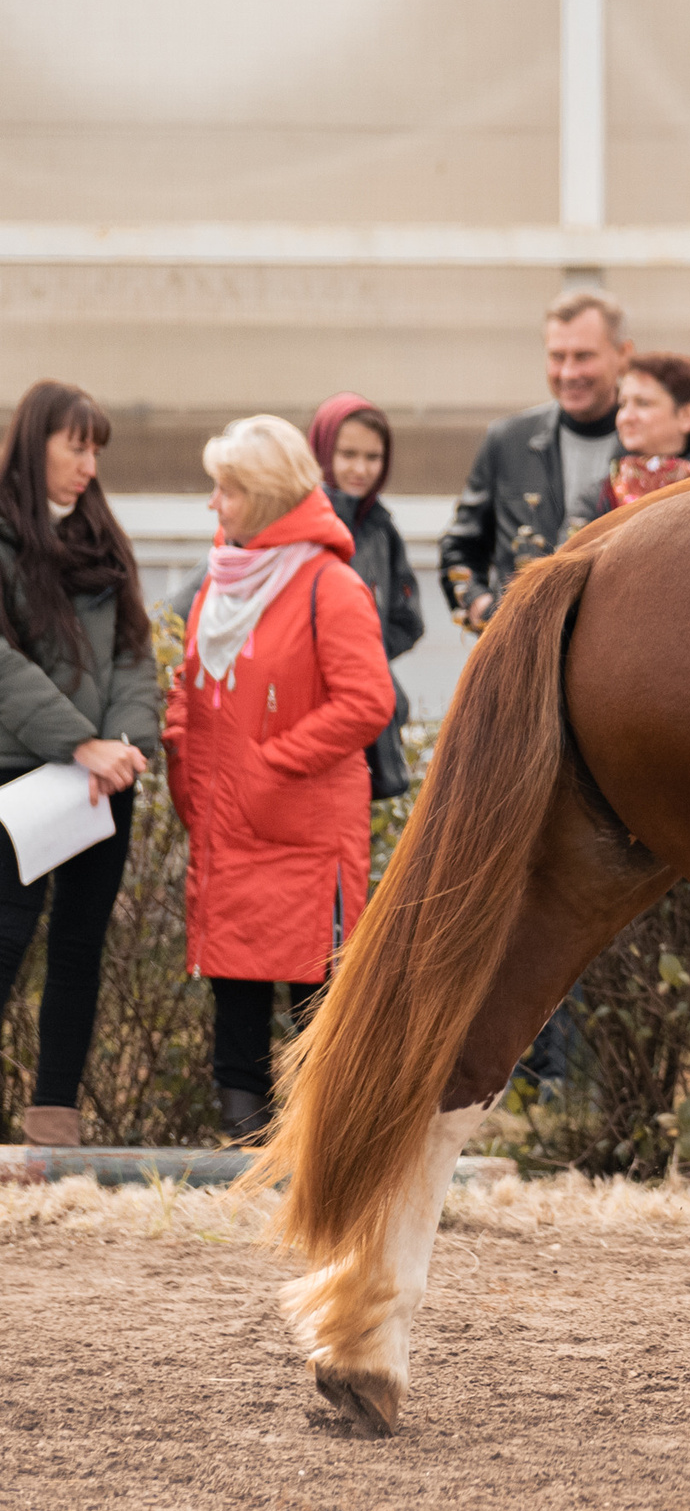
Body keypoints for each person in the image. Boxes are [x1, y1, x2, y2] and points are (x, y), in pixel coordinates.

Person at [167, 416, 396, 1142]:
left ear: (263, 496)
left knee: (314, 992)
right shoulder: (221, 580)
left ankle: (319, 1144)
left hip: (303, 832)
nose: (214, 503)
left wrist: (272, 759)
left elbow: (368, 702)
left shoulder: (331, 585)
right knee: (233, 981)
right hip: (229, 822)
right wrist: (181, 751)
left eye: (227, 489)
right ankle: (244, 1135)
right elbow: (197, 689)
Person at [0, 381, 158, 1149]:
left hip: (101, 782)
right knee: (6, 937)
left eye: (96, 448)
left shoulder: (103, 538)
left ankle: (53, 1121)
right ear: (36, 445)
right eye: (76, 445)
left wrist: (123, 744)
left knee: (79, 946)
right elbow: (2, 666)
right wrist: (75, 741)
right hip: (20, 778)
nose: (89, 464)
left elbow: (134, 652)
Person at [439, 289, 630, 632]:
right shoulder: (507, 441)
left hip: (618, 652)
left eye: (584, 356)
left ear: (623, 355)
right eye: (557, 356)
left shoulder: (651, 448)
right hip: (522, 655)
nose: (569, 372)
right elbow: (460, 546)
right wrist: (481, 606)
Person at [309, 394, 423, 785]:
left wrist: (362, 657)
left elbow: (408, 619)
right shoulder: (299, 523)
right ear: (323, 450)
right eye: (347, 454)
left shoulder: (381, 527)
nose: (360, 469)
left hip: (366, 716)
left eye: (373, 457)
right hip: (306, 709)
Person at [565, 352, 690, 529]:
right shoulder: (597, 499)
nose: (626, 417)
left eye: (643, 403)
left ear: (686, 414)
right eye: (623, 404)